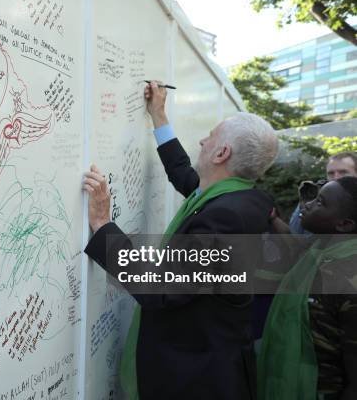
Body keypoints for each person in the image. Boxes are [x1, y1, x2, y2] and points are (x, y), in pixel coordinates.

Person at [82, 81, 279, 399]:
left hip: (197, 378)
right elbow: (183, 173)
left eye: (210, 137)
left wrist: (103, 223)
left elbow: (158, 288)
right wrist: (158, 115)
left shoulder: (224, 219)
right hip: (210, 363)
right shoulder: (243, 199)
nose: (202, 140)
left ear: (221, 152)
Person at [258, 177, 357, 400]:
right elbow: (296, 245)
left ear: (344, 224)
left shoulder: (347, 278)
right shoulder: (320, 248)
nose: (308, 204)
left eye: (320, 202)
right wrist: (274, 220)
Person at [288, 152, 357, 234]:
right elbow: (295, 233)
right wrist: (304, 202)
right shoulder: (315, 199)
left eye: (343, 172)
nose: (336, 177)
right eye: (331, 173)